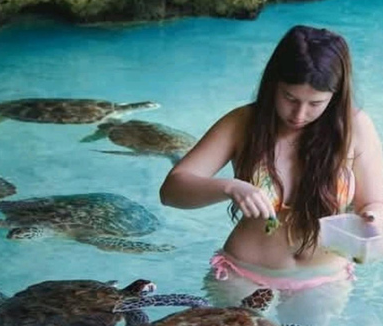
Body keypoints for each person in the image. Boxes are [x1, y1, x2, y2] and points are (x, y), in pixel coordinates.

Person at [159, 25, 383, 325]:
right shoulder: (243, 123)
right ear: (273, 84)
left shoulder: (355, 127)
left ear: (335, 96)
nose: (299, 114)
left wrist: (373, 218)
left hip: (323, 278)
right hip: (243, 272)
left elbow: (375, 202)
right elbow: (171, 191)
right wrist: (228, 187)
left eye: (315, 103)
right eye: (290, 98)